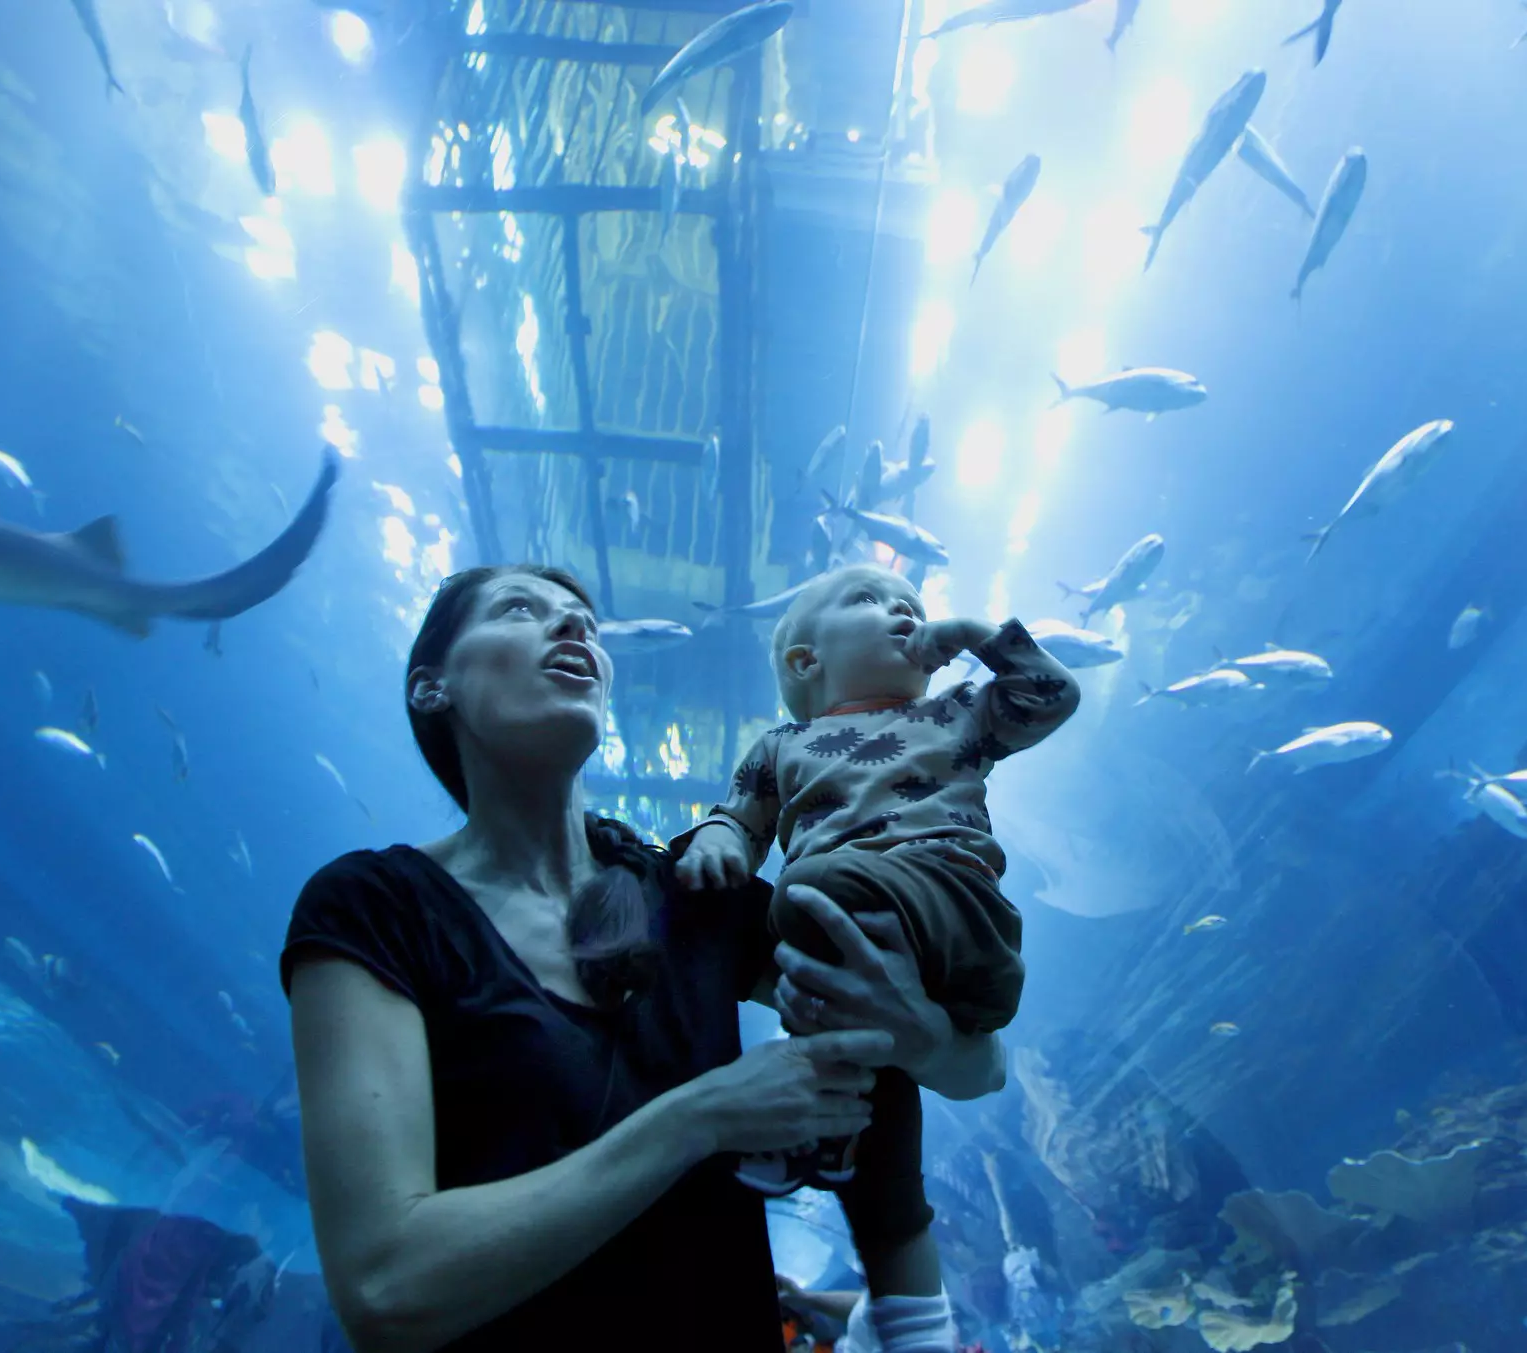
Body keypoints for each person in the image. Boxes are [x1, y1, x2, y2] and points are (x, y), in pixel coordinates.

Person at [281, 565, 1005, 1353]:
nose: (574, 628)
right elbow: (385, 1289)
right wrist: (705, 1115)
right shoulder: (375, 906)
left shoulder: (695, 894)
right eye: (519, 609)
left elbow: (979, 1068)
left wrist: (925, 1036)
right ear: (431, 686)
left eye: (586, 623)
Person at [675, 563, 1079, 1342]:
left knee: (810, 889)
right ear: (806, 660)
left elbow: (1053, 694)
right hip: (849, 932)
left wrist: (977, 637)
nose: (902, 612)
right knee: (868, 1055)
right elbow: (737, 818)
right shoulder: (782, 745)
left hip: (957, 913)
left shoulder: (956, 713)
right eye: (870, 600)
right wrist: (717, 840)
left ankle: (811, 1121)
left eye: (911, 604)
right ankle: (902, 1296)